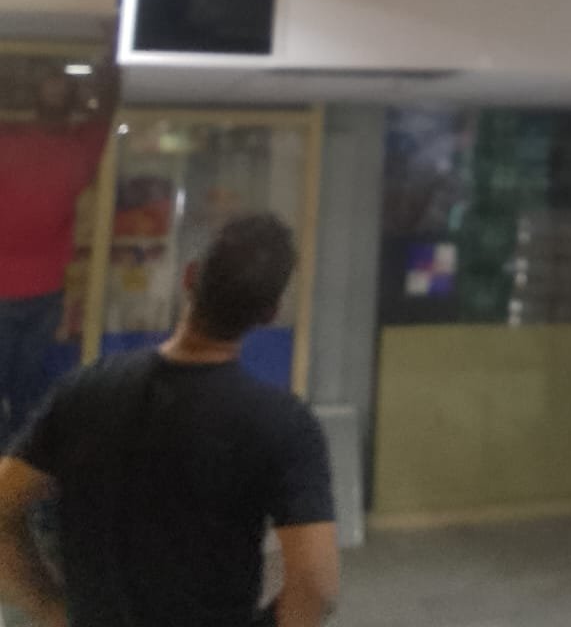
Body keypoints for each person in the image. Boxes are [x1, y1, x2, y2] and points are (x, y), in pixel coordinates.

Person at [0, 213, 339, 627]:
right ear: (269, 312)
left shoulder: (84, 391)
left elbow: (3, 502)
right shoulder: (284, 425)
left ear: (190, 277)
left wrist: (50, 608)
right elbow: (316, 586)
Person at [0, 60, 119, 448]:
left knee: (26, 395)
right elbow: (105, 107)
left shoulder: (75, 147)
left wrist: (113, 53)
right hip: (34, 291)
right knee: (25, 394)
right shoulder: (18, 139)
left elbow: (106, 108)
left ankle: (15, 473)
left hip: (41, 293)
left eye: (59, 85)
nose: (54, 90)